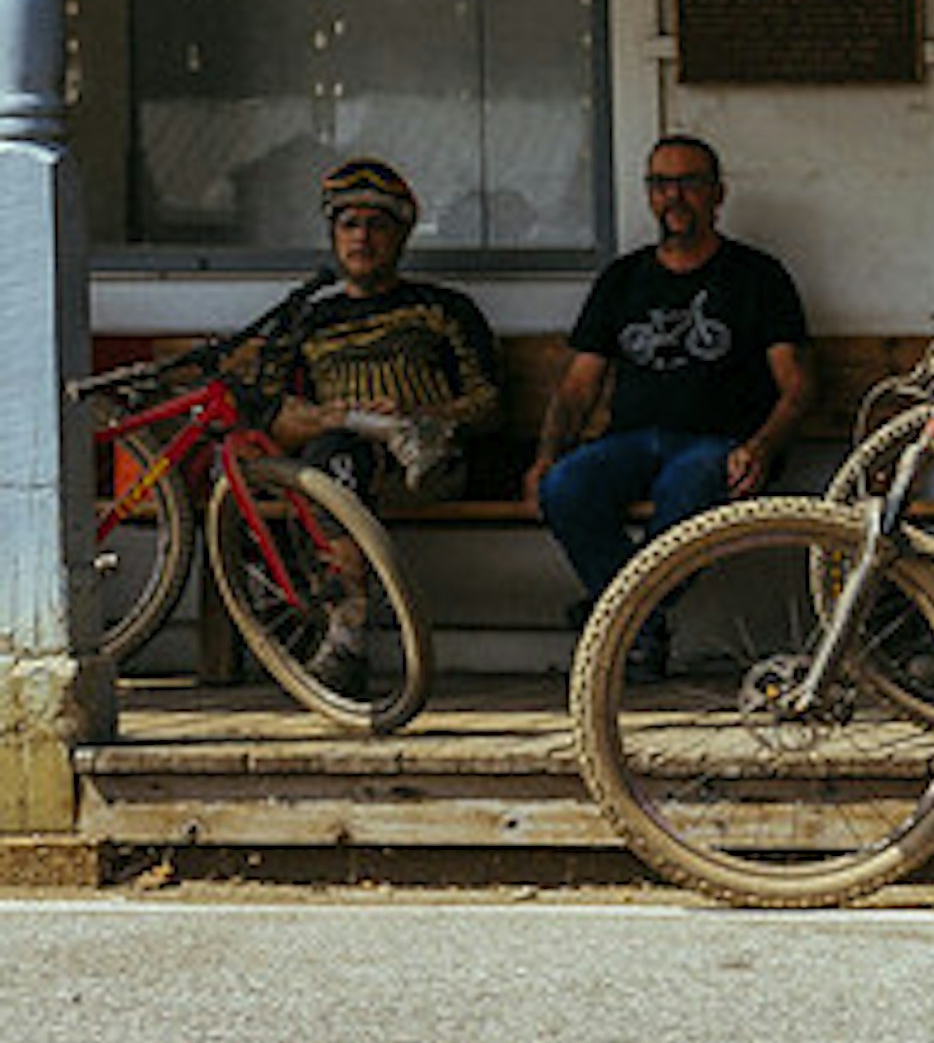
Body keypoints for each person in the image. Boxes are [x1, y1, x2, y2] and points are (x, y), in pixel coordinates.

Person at [219, 155, 504, 698]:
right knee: (334, 449)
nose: (362, 238)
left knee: (337, 457)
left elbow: (490, 402)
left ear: (402, 234)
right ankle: (346, 628)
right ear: (332, 235)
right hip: (337, 464)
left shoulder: (441, 308)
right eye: (349, 224)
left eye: (377, 225)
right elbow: (267, 415)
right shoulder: (308, 318)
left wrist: (420, 415)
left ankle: (346, 638)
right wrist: (341, 417)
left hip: (428, 465)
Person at [523, 135, 814, 631]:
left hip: (719, 445)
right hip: (630, 444)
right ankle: (640, 621)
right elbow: (577, 389)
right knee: (564, 486)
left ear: (718, 194)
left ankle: (618, 619)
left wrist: (761, 448)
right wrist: (547, 456)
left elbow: (799, 386)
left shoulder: (757, 276)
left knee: (690, 482)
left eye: (688, 182)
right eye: (660, 183)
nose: (673, 196)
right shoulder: (622, 279)